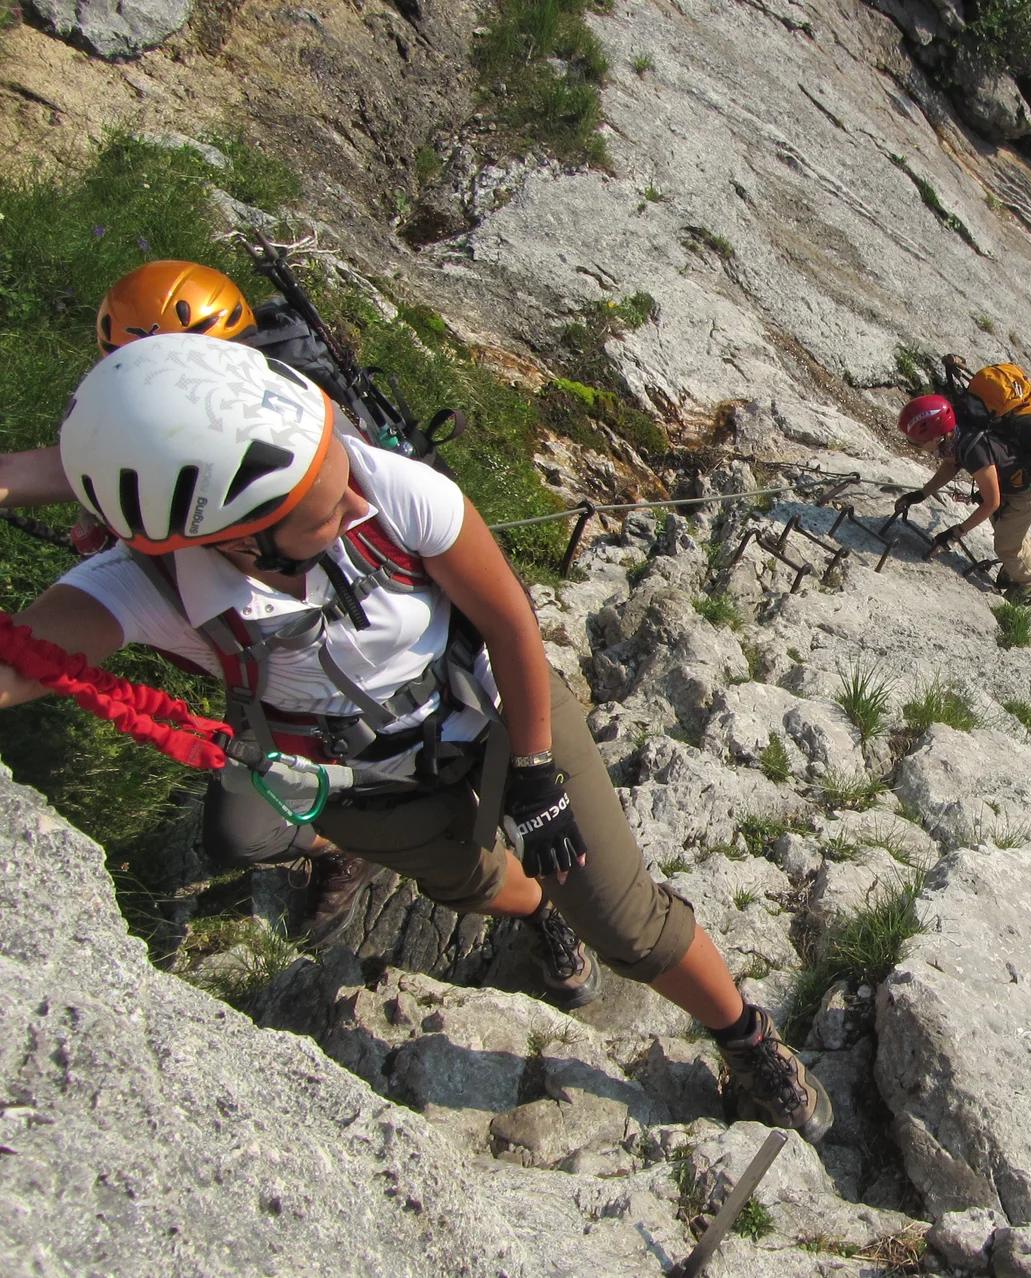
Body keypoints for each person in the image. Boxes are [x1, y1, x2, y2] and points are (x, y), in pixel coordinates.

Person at [0, 335, 831, 1142]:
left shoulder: (383, 486)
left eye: (339, 474)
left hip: (504, 713)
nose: (353, 500)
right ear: (233, 537)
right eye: (323, 510)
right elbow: (26, 661)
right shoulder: (145, 587)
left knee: (627, 923)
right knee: (474, 883)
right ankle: (541, 916)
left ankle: (745, 1037)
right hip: (368, 785)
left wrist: (537, 774)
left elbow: (509, 620)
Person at [0, 260, 396, 933]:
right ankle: (356, 845)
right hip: (237, 653)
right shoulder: (134, 489)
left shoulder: (316, 440)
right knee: (239, 837)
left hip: (368, 655)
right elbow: (38, 475)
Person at [892, 358, 1031, 605]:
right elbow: (950, 465)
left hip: (1026, 493)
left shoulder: (973, 450)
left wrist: (954, 534)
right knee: (1008, 530)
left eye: (918, 442)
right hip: (1013, 485)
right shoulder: (958, 433)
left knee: (1005, 545)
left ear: (937, 436)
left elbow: (991, 502)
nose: (916, 448)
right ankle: (1017, 565)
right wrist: (922, 494)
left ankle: (1029, 580)